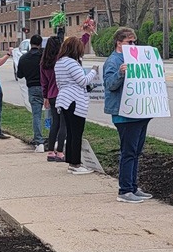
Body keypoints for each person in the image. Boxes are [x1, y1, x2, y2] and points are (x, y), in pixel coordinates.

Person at [103, 27, 153, 203]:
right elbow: (110, 85)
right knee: (129, 152)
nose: (133, 45)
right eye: (129, 42)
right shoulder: (113, 61)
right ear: (119, 43)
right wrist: (120, 73)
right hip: (124, 114)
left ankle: (132, 186)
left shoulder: (136, 58)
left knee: (136, 152)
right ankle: (124, 190)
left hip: (139, 112)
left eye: (134, 42)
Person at [55, 36, 98, 174]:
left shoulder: (59, 62)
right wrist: (94, 71)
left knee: (71, 132)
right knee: (77, 133)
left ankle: (71, 161)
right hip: (74, 100)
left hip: (64, 99)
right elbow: (83, 81)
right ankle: (76, 163)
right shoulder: (72, 63)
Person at [16, 34, 45, 152]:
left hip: (32, 87)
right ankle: (54, 139)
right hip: (46, 87)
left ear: (30, 43)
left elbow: (19, 75)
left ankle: (39, 142)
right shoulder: (44, 57)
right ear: (40, 44)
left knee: (36, 115)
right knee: (52, 114)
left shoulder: (24, 58)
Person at [40, 35, 66, 162]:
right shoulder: (61, 61)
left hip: (51, 95)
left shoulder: (44, 62)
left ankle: (50, 151)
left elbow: (43, 82)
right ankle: (60, 152)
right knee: (64, 124)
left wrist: (45, 96)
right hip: (62, 94)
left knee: (55, 123)